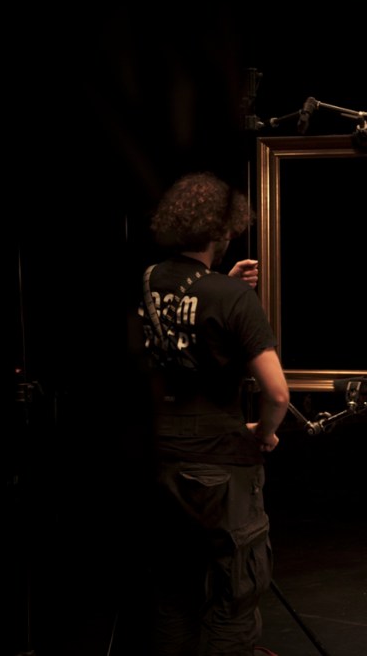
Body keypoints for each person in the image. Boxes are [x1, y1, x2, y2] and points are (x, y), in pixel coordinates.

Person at [137, 172, 289, 655]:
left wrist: (220, 288)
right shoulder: (234, 297)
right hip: (218, 462)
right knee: (236, 589)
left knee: (172, 589)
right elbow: (277, 394)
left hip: (155, 454)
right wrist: (264, 433)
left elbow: (183, 328)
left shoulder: (146, 282)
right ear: (223, 231)